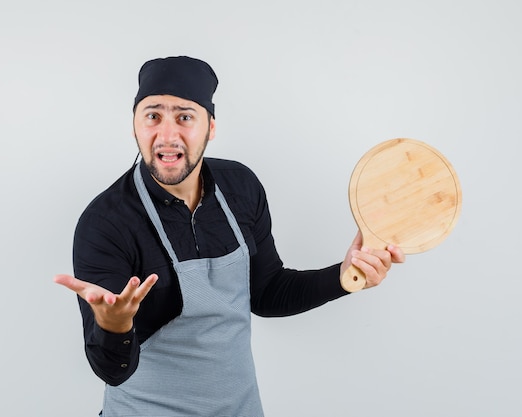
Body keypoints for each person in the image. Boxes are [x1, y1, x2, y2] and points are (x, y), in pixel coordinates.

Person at [54, 55, 405, 416]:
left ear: (211, 127)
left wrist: (345, 276)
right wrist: (114, 325)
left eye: (185, 117)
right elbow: (112, 370)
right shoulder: (107, 222)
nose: (167, 135)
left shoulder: (241, 187)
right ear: (135, 125)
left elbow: (267, 293)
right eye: (153, 116)